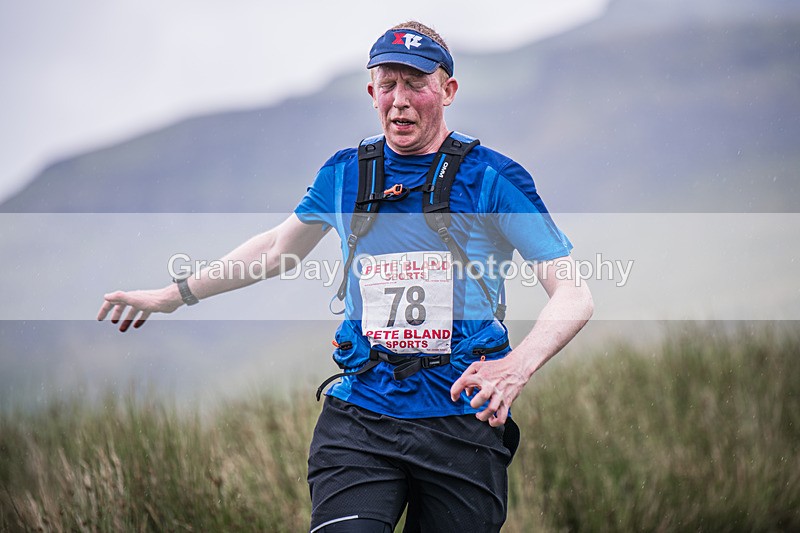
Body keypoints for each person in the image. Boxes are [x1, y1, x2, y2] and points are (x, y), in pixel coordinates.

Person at [98, 21, 593, 533]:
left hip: (460, 420)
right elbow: (274, 250)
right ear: (371, 92)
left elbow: (573, 292)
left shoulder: (494, 178)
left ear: (447, 91)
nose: (399, 100)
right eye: (388, 84)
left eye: (416, 83)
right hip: (361, 417)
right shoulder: (344, 174)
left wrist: (515, 367)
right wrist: (172, 295)